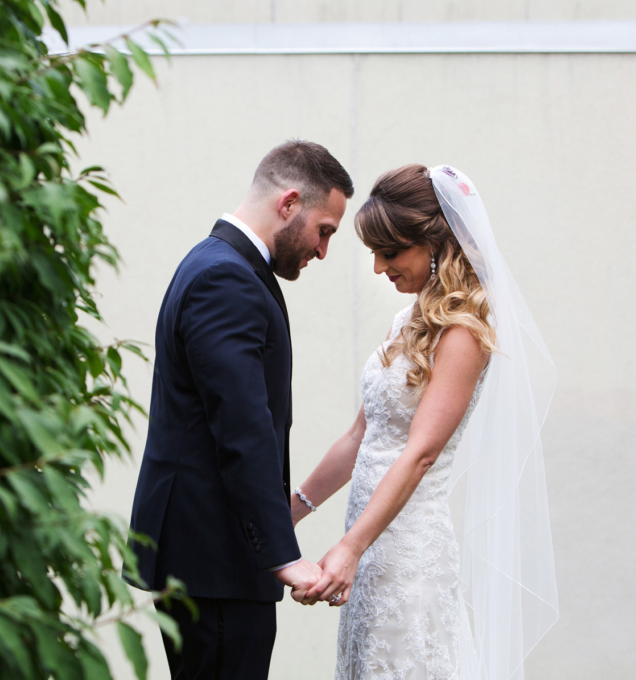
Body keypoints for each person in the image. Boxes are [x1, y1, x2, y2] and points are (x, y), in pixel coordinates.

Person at [291, 165, 558, 680]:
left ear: (436, 245)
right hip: (370, 555)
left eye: (389, 253)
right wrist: (293, 510)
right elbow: (359, 436)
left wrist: (349, 547)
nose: (377, 268)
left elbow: (420, 452)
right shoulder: (406, 322)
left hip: (409, 555)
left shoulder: (463, 333)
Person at [127, 140, 355, 680]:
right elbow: (243, 427)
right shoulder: (225, 278)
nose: (323, 251)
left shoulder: (218, 264)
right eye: (325, 230)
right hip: (216, 561)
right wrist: (281, 554)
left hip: (208, 559)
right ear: (290, 201)